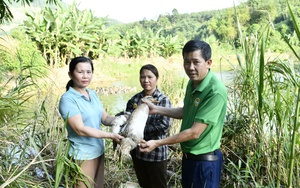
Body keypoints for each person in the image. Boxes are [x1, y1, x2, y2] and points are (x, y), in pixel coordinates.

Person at [139, 40, 228, 188]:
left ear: (208, 62)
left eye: (196, 62)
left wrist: (157, 143)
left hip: (205, 162)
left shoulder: (215, 91)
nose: (190, 68)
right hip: (189, 158)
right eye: (187, 62)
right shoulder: (192, 83)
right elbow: (186, 112)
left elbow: (194, 133)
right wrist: (155, 108)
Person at [58, 56, 124, 188]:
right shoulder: (68, 99)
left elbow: (105, 119)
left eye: (88, 72)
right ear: (70, 74)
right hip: (82, 154)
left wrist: (123, 119)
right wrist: (111, 136)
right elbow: (80, 129)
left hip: (98, 151)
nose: (85, 76)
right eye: (80, 72)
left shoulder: (92, 94)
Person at [119, 64, 172, 188]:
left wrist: (138, 132)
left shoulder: (162, 100)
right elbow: (127, 121)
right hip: (138, 153)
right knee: (144, 184)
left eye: (150, 77)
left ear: (156, 78)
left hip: (156, 153)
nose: (146, 80)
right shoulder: (134, 100)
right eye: (143, 77)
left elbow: (164, 125)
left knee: (159, 185)